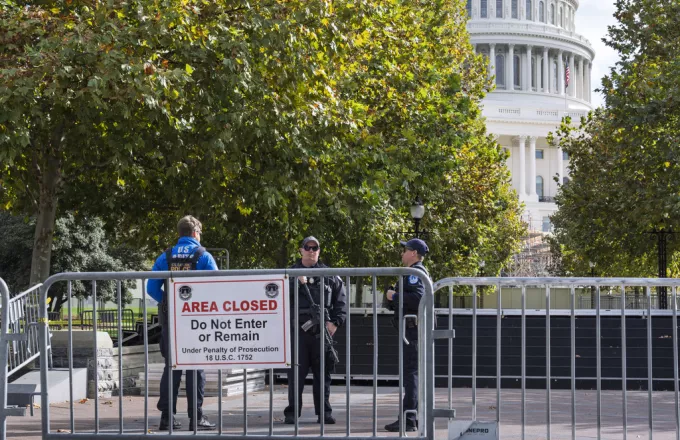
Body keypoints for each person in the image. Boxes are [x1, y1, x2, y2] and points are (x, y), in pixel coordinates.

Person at [147, 215, 218, 431]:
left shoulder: (165, 256)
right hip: (196, 322)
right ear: (196, 233)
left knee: (172, 368)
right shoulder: (203, 255)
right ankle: (195, 418)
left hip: (172, 321)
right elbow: (217, 285)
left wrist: (169, 303)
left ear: (180, 233)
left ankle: (167, 418)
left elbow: (151, 289)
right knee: (196, 368)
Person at [284, 236, 347, 425]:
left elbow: (341, 302)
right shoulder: (289, 273)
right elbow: (276, 296)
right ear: (300, 250)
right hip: (298, 332)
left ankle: (324, 412)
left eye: (315, 248)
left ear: (319, 251)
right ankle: (292, 412)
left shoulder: (329, 274)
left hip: (322, 332)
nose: (311, 251)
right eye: (307, 247)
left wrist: (335, 322)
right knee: (296, 375)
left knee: (323, 375)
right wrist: (295, 282)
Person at [384, 238, 430, 432]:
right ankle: (411, 416)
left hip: (413, 330)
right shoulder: (413, 273)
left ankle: (408, 418)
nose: (402, 253)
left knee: (411, 374)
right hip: (411, 329)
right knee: (412, 373)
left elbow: (418, 297)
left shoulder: (415, 273)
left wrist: (393, 296)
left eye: (405, 250)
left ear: (413, 253)